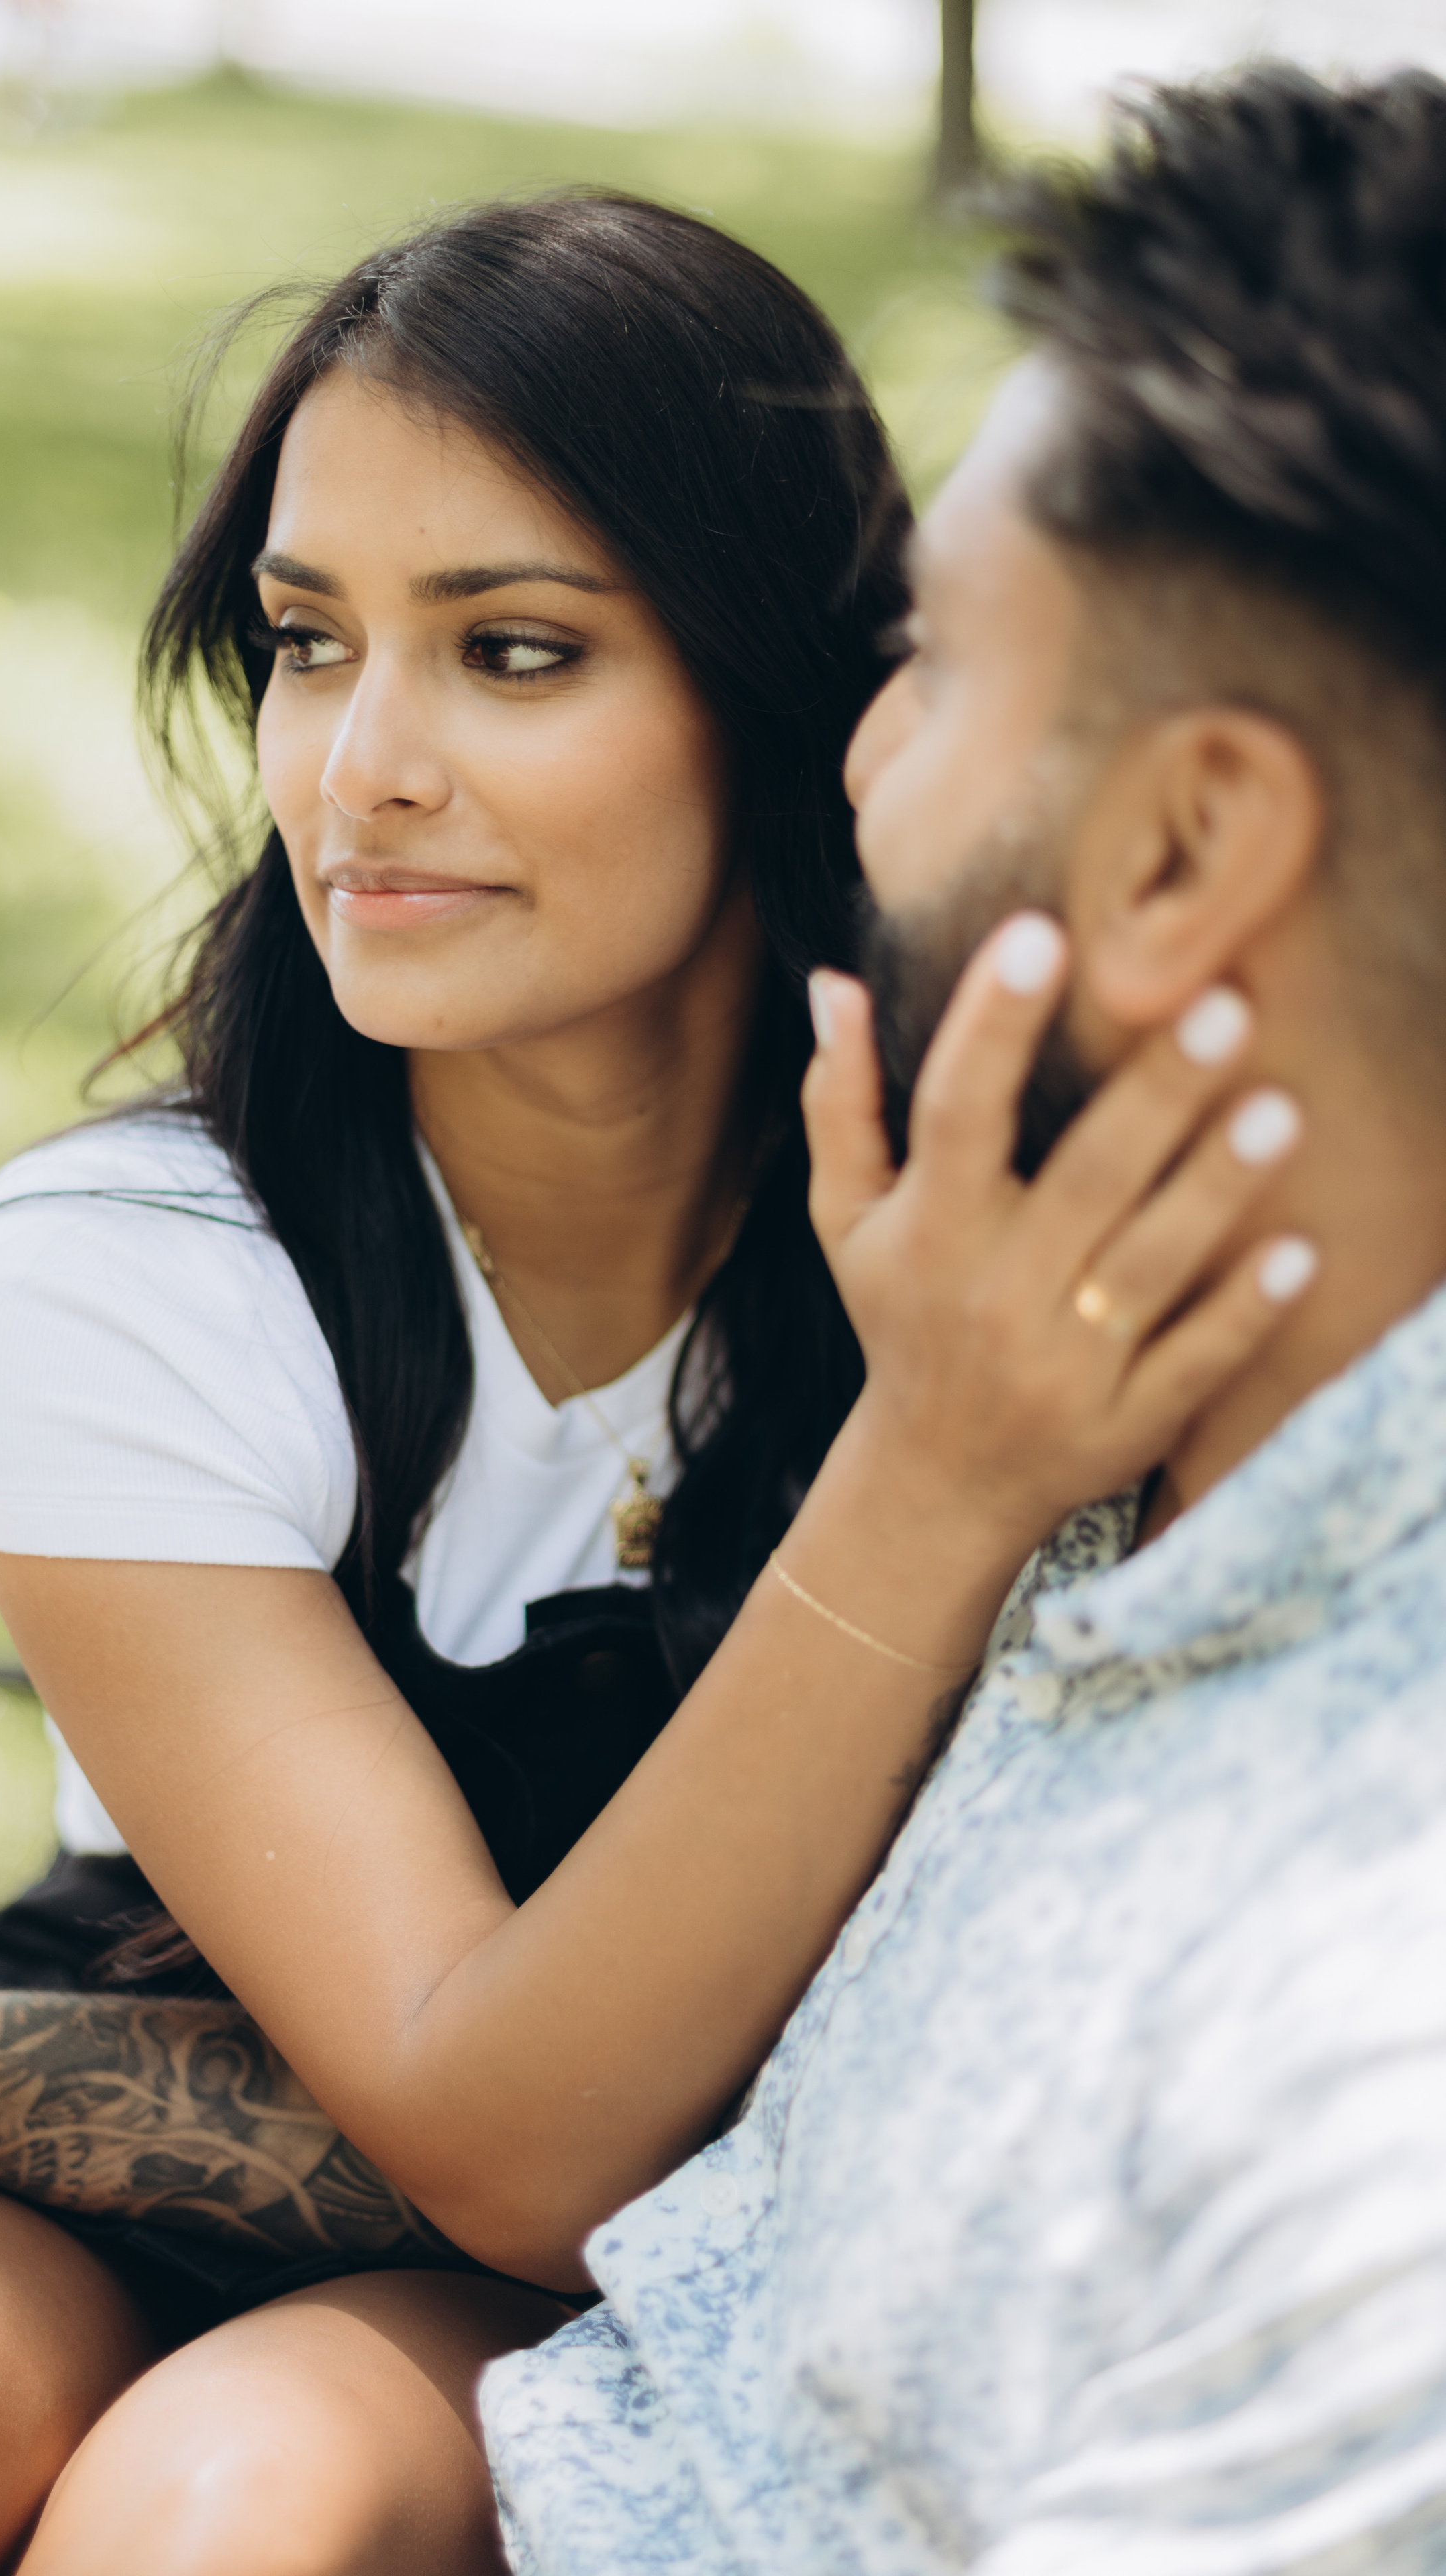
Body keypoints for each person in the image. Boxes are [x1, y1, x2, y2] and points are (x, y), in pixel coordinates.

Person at [0, 190, 1308, 2576]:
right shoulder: (135, 1271)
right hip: (225, 2081)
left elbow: (558, 2184)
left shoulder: (1012, 1207)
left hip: (704, 2228)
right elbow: (479, 2097)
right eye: (305, 642)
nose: (363, 768)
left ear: (789, 696)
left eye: (516, 652)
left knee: (234, 2504)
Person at [486, 65, 1446, 2573]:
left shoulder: (1369, 2075)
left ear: (1181, 853)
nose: (845, 757)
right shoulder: (1138, 1449)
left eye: (922, 663)